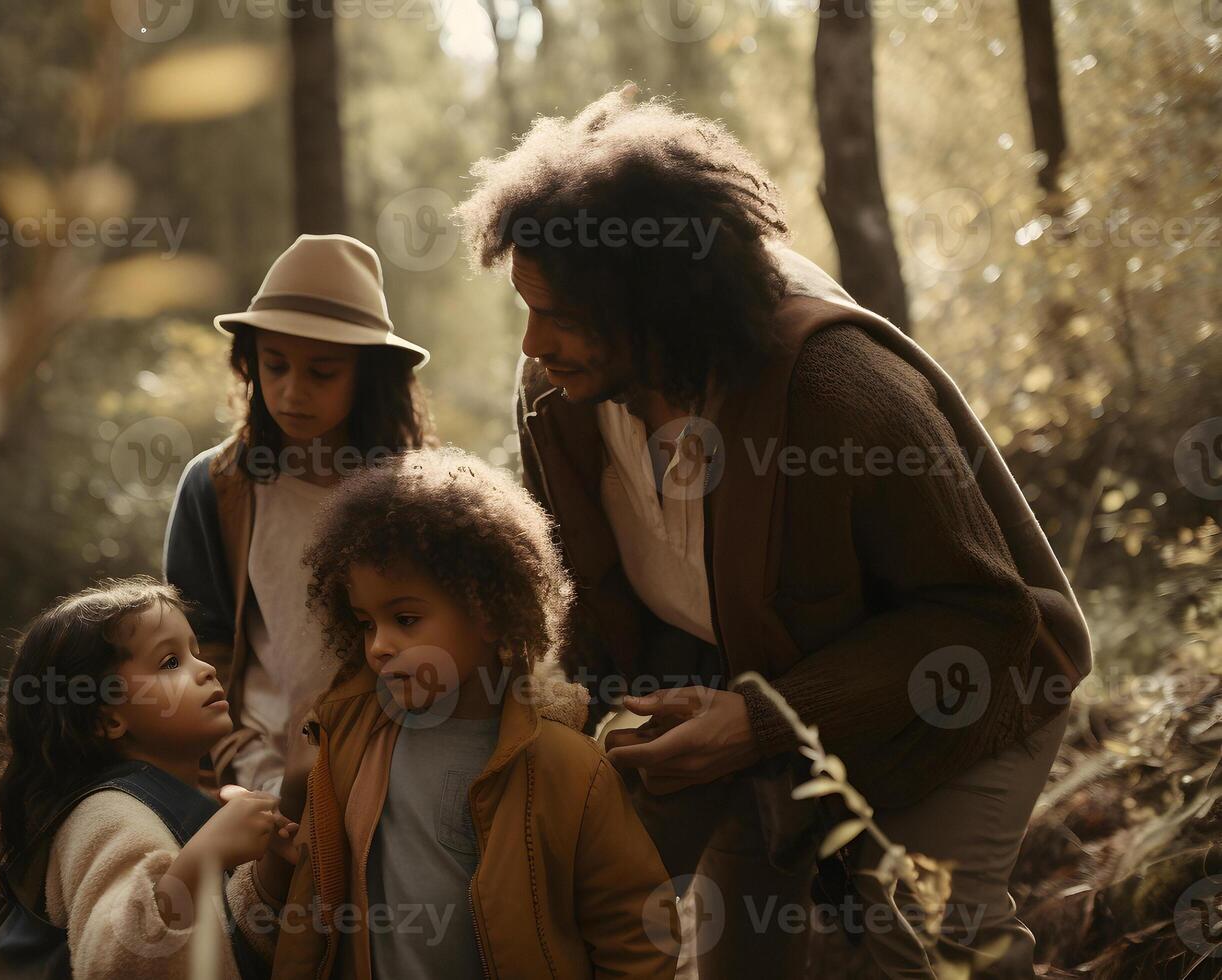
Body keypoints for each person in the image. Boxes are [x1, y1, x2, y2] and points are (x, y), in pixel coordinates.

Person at [451, 86, 1092, 977]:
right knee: (713, 937)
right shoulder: (562, 394)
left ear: (656, 304)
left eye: (558, 314)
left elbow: (978, 617)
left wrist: (760, 721)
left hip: (958, 700)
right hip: (744, 681)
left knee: (923, 932)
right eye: (527, 308)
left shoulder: (839, 391)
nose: (532, 344)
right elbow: (592, 595)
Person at [234, 448, 681, 978]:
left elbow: (637, 936)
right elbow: (309, 907)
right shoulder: (347, 743)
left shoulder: (569, 772)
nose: (379, 645)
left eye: (405, 617)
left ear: (490, 613)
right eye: (365, 622)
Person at [163, 233, 433, 795]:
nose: (292, 391)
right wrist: (224, 758)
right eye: (276, 364)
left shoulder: (418, 497)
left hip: (391, 776)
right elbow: (197, 641)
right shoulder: (217, 488)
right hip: (253, 781)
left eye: (322, 372)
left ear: (370, 375)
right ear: (250, 362)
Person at [0, 576, 295, 978]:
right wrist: (207, 854)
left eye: (195, 652)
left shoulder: (179, 800)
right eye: (171, 663)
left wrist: (270, 878)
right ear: (107, 718)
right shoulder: (107, 817)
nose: (207, 669)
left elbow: (219, 940)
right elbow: (117, 961)